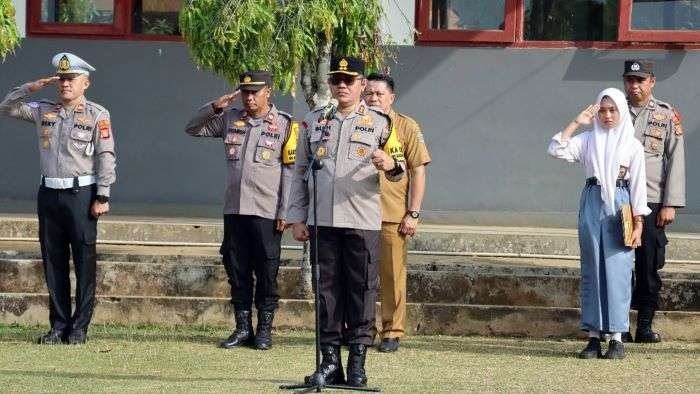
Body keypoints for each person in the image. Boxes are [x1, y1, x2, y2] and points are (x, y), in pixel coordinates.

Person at [287, 56, 406, 387]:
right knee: (327, 292)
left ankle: (357, 363)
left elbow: (400, 168)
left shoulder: (381, 123)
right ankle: (329, 363)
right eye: (337, 79)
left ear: (361, 85)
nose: (342, 85)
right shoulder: (313, 121)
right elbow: (299, 173)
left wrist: (390, 163)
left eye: (349, 80)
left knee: (361, 290)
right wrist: (297, 216)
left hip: (361, 220)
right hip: (322, 220)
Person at [0, 52, 116, 345]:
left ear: (85, 83)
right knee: (54, 261)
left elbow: (106, 156)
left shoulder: (97, 115)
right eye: (61, 79)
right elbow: (7, 107)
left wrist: (102, 195)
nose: (65, 84)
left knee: (84, 261)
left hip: (82, 194)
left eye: (71, 79)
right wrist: (32, 87)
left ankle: (79, 328)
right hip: (49, 194)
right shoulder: (43, 110)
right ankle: (59, 325)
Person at [185, 71, 297, 350]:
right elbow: (192, 128)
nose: (248, 98)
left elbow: (291, 171)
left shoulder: (284, 124)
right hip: (235, 209)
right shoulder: (230, 118)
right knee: (237, 270)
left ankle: (264, 330)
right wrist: (214, 106)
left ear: (268, 91)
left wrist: (286, 210)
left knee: (267, 272)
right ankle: (242, 328)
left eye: (254, 92)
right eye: (245, 92)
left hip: (267, 211)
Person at [547, 88, 651, 360]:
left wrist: (639, 223)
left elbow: (639, 186)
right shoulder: (588, 139)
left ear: (620, 112)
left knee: (618, 269)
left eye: (612, 110)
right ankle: (593, 337)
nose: (607, 115)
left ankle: (616, 338)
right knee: (592, 267)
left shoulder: (632, 145)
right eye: (602, 110)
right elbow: (556, 149)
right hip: (592, 199)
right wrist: (576, 122)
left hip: (620, 204)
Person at [364, 73, 431, 353]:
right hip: (357, 212)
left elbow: (418, 170)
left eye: (379, 94)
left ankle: (392, 331)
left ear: (392, 97)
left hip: (393, 213)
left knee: (392, 276)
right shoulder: (356, 125)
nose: (374, 98)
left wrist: (412, 213)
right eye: (369, 94)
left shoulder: (406, 126)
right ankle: (362, 329)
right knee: (360, 277)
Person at [622, 59, 686, 343]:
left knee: (648, 266)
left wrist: (670, 203)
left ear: (652, 82)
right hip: (620, 200)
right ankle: (618, 326)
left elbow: (675, 159)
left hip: (651, 200)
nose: (635, 86)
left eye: (640, 80)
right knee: (620, 267)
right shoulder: (613, 110)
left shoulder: (665, 114)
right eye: (630, 80)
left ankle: (644, 327)